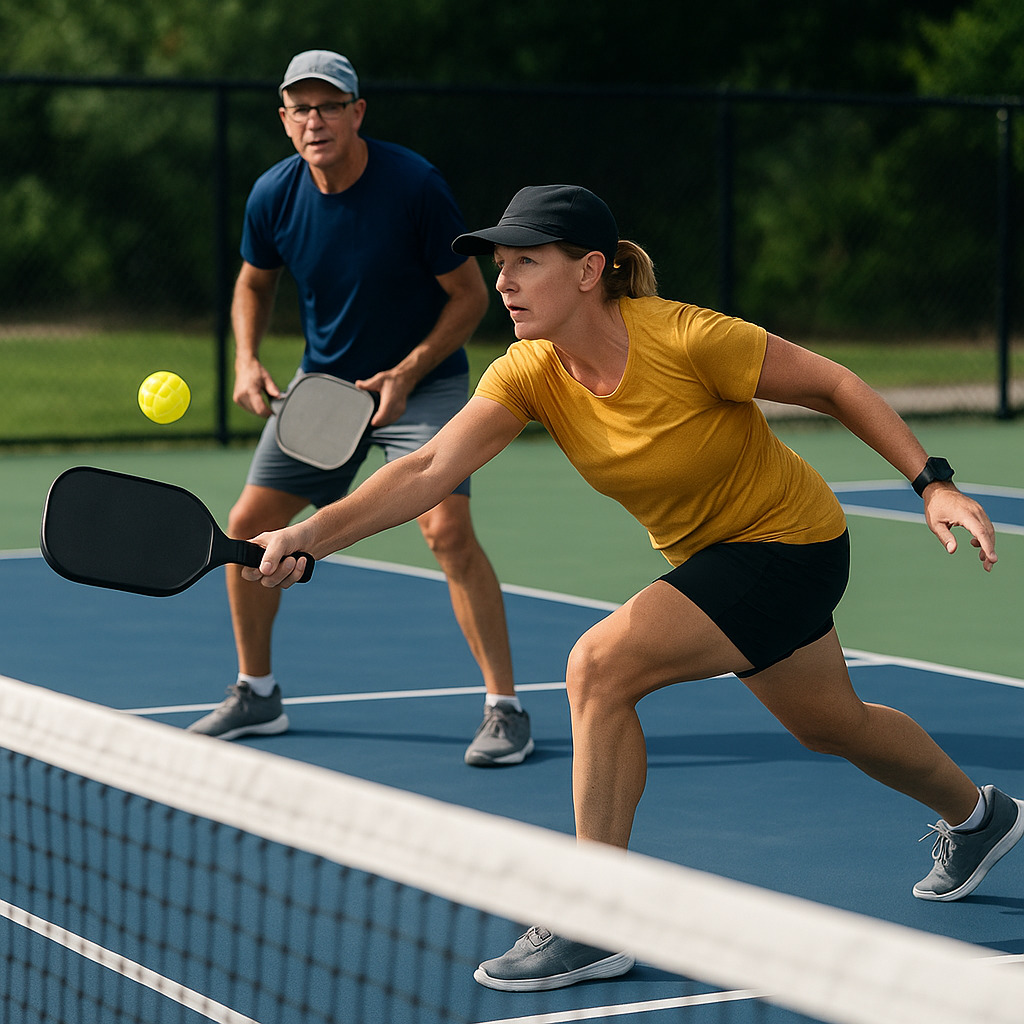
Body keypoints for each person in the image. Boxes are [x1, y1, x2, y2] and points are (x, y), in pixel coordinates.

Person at [239, 184, 1023, 991]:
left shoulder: (688, 338)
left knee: (599, 668)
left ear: (589, 271)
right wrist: (308, 533)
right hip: (718, 558)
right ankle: (981, 817)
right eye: (499, 266)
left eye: (524, 264)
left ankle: (597, 917)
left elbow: (833, 385)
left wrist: (932, 483)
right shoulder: (531, 370)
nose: (502, 284)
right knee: (834, 725)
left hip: (789, 542)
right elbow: (429, 467)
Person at [187, 50, 535, 769]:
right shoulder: (273, 195)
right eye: (301, 108)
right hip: (324, 394)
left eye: (329, 106)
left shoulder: (414, 186)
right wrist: (246, 359)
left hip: (423, 384)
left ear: (357, 113)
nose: (316, 121)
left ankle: (506, 708)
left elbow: (470, 296)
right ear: (285, 122)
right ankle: (257, 693)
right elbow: (252, 285)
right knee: (249, 527)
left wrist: (405, 374)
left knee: (446, 529)